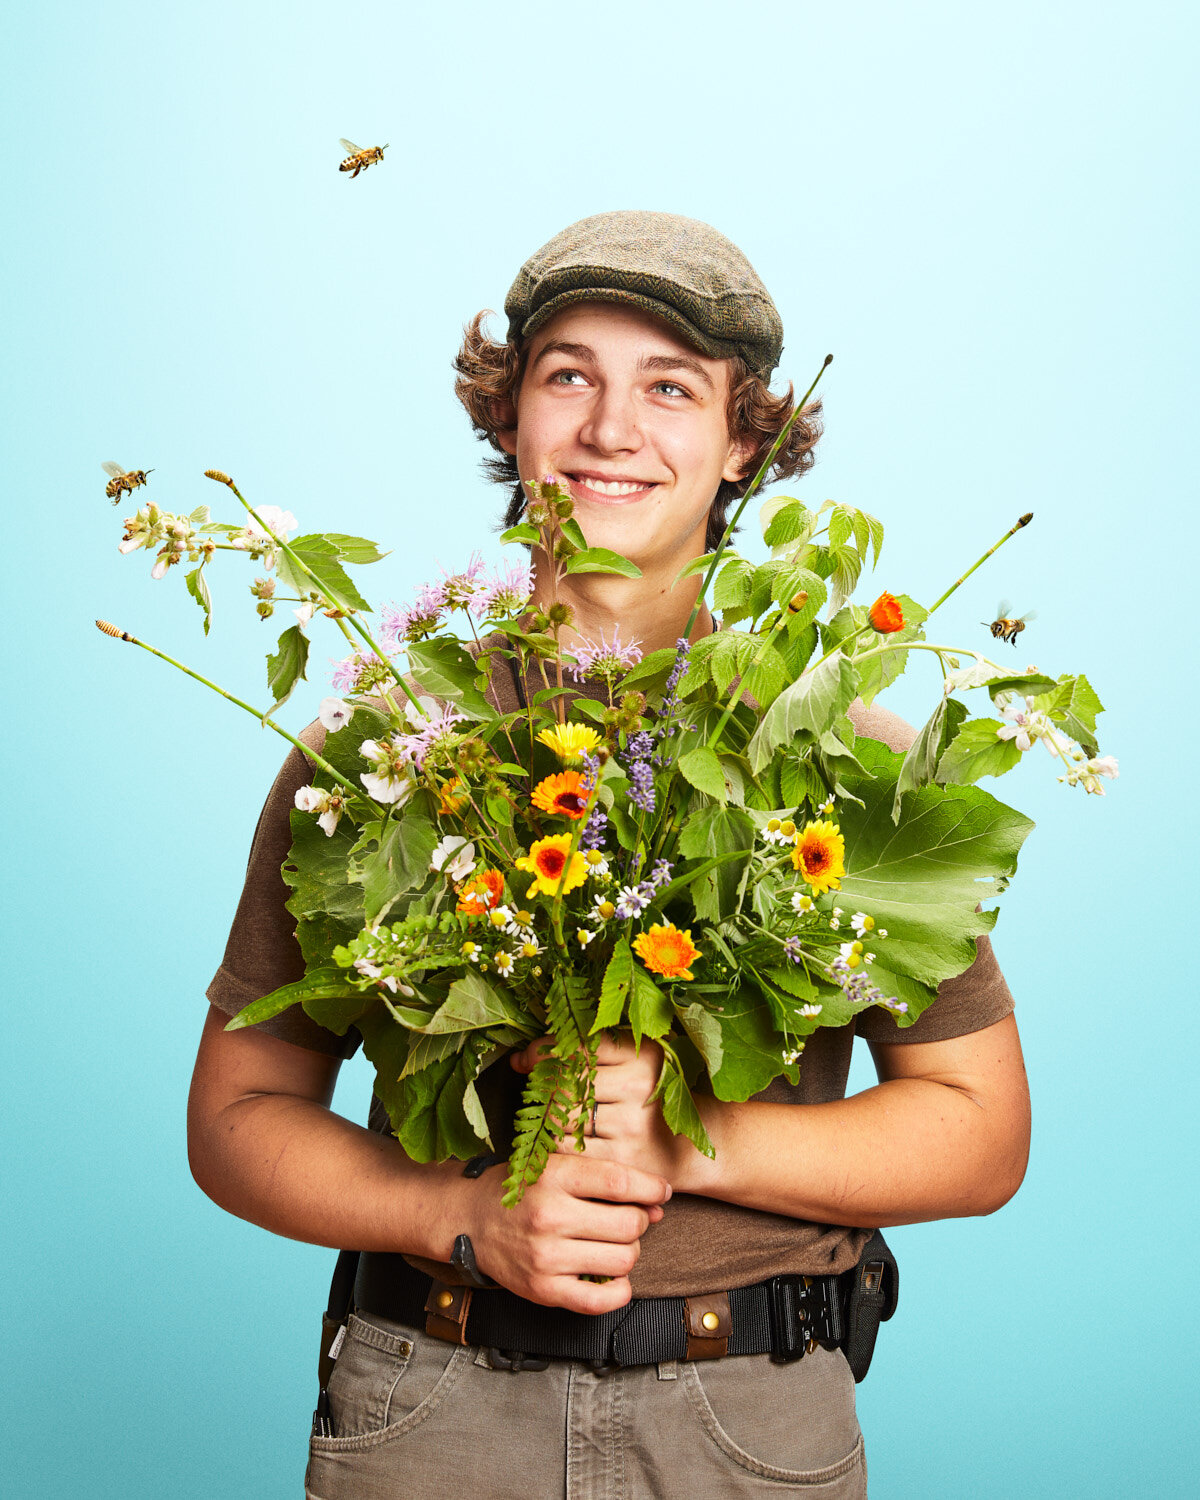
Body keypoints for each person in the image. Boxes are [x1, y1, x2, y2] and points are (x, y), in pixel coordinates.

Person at [188, 212, 1031, 1498]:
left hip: (749, 1420)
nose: (610, 430)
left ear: (745, 438)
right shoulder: (388, 746)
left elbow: (983, 1136)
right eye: (568, 374)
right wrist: (455, 1219)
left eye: (671, 387)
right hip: (434, 1401)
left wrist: (693, 1141)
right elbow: (236, 1119)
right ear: (509, 413)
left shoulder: (842, 751)